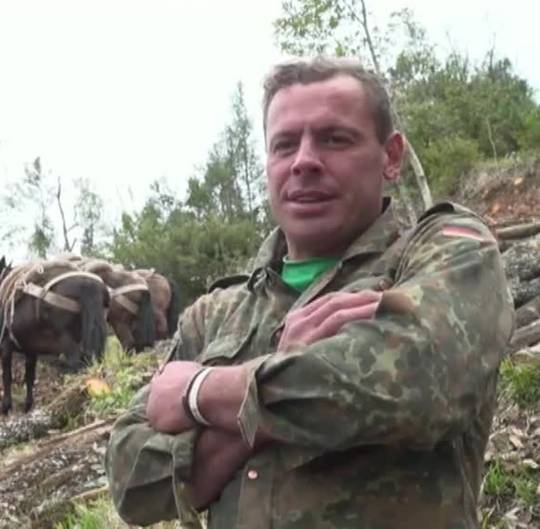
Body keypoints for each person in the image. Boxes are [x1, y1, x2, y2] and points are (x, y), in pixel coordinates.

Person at [104, 56, 515, 528]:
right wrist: (285, 386)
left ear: (392, 156)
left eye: (334, 139)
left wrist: (201, 392)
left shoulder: (443, 252)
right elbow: (131, 482)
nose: (303, 162)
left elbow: (412, 384)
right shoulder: (215, 314)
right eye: (283, 145)